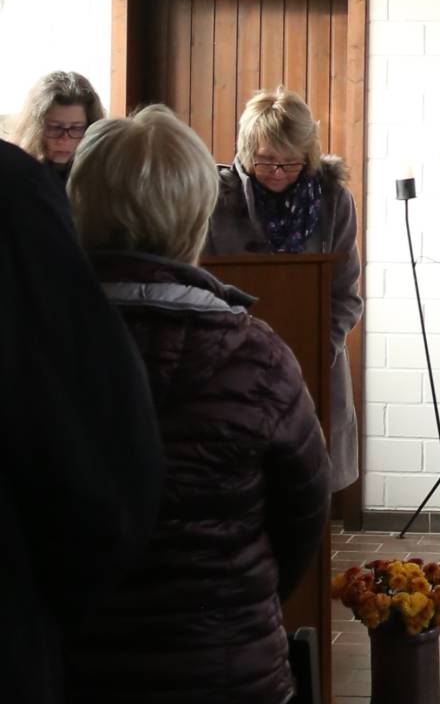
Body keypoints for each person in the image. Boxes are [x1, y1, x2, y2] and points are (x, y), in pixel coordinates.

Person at [65, 105, 331, 703]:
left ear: (80, 206)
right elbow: (303, 516)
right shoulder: (257, 355)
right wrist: (240, 601)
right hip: (225, 665)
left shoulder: (30, 342)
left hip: (72, 664)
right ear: (195, 216)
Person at [0, 0, 163, 704]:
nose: (66, 141)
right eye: (57, 129)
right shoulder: (20, 194)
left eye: (77, 130)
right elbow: (95, 451)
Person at [206, 87, 363, 492]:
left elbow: (346, 296)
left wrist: (318, 350)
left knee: (311, 488)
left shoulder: (333, 200)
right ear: (245, 153)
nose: (277, 172)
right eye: (265, 161)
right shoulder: (214, 197)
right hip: (234, 370)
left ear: (308, 156)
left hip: (316, 366)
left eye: (290, 163)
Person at [11, 70, 105, 191]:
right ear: (35, 130)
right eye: (55, 127)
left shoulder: (101, 174)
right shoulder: (15, 172)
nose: (64, 140)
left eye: (76, 128)